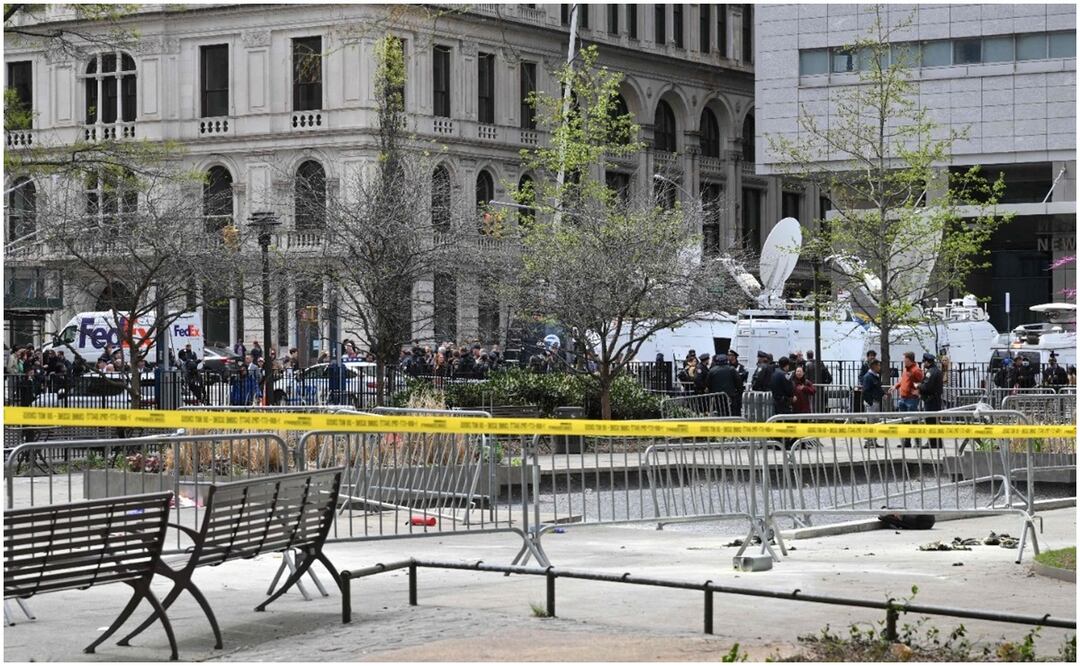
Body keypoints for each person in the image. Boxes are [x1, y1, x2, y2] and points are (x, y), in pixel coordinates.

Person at [889, 351, 924, 448]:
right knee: (904, 421)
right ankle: (906, 442)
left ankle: (917, 442)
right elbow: (902, 380)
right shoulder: (906, 369)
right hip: (903, 398)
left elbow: (922, 381)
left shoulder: (916, 370)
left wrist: (918, 391)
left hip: (911, 399)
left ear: (909, 359)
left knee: (914, 421)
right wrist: (896, 386)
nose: (903, 360)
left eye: (904, 358)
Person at [918, 353, 944, 449]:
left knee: (931, 421)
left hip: (931, 400)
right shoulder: (936, 371)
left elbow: (927, 386)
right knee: (935, 421)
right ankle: (937, 442)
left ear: (927, 362)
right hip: (934, 399)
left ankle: (933, 443)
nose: (923, 364)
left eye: (924, 361)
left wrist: (918, 386)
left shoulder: (931, 372)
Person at [861, 358, 885, 448]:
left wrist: (883, 394)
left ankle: (874, 441)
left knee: (876, 422)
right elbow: (865, 391)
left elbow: (878, 388)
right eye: (878, 365)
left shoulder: (875, 376)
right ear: (874, 366)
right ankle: (867, 441)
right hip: (872, 402)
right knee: (870, 422)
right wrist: (870, 402)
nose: (879, 367)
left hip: (876, 401)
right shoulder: (868, 377)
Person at [726, 349, 747, 416]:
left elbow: (743, 376)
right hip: (729, 391)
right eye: (728, 355)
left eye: (730, 355)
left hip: (737, 392)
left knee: (737, 409)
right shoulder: (726, 366)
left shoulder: (740, 367)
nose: (729, 357)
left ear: (734, 356)